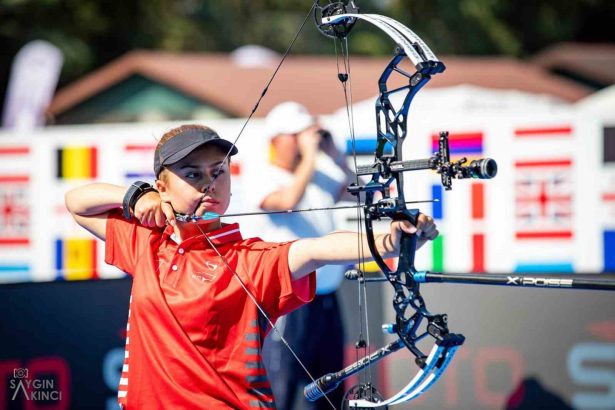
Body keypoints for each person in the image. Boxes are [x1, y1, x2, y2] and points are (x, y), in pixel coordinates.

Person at [64, 124, 438, 409]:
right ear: (162, 187)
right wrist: (134, 195)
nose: (209, 184)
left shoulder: (248, 258)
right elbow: (77, 202)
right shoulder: (145, 241)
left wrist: (392, 240)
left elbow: (317, 250)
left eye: (218, 172)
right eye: (192, 174)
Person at [243, 101, 354, 410]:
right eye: (297, 135)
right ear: (277, 139)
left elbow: (363, 192)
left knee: (331, 385)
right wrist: (311, 157)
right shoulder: (262, 175)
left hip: (325, 296)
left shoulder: (317, 173)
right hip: (287, 300)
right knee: (283, 387)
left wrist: (336, 156)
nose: (305, 141)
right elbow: (288, 201)